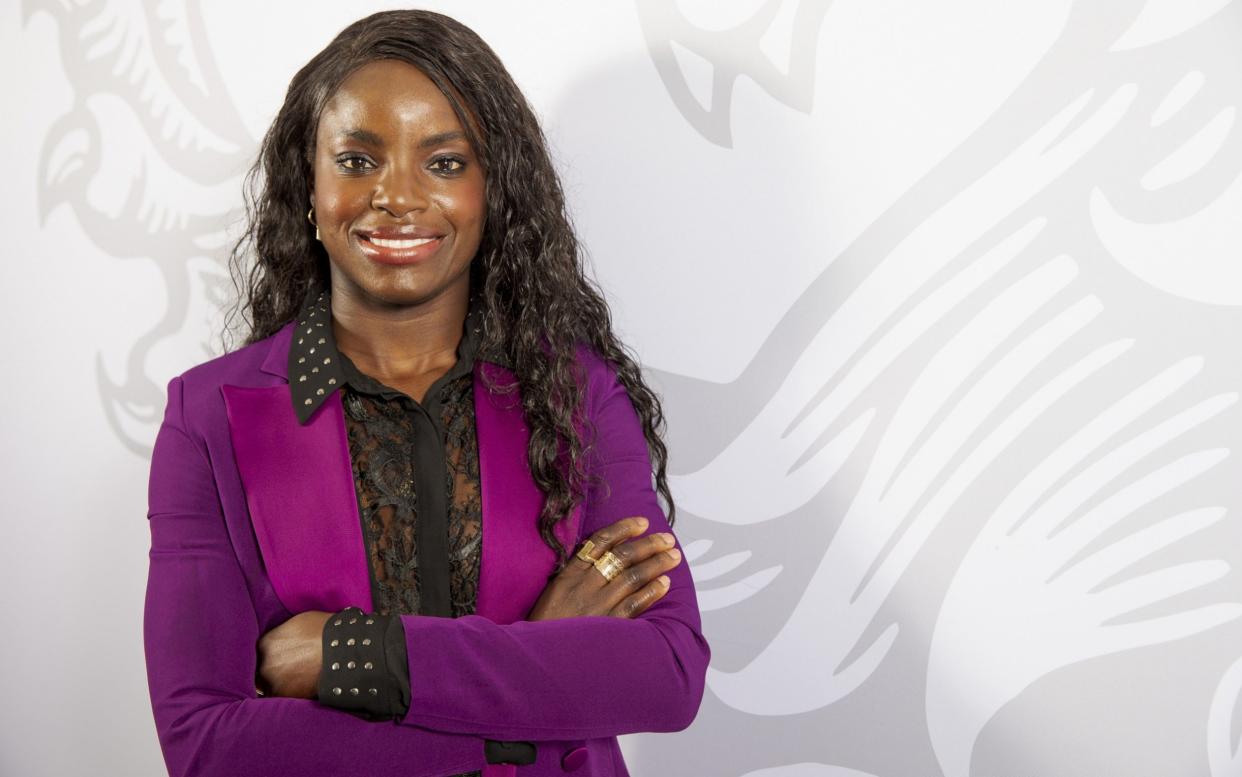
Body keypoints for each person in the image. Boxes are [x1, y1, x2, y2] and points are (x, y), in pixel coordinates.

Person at [141, 9, 710, 777]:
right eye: (356, 160)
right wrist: (537, 683)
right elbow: (206, 747)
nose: (397, 196)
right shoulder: (207, 418)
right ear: (308, 188)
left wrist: (358, 656)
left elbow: (665, 673)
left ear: (491, 192)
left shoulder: (579, 393)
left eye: (443, 163)